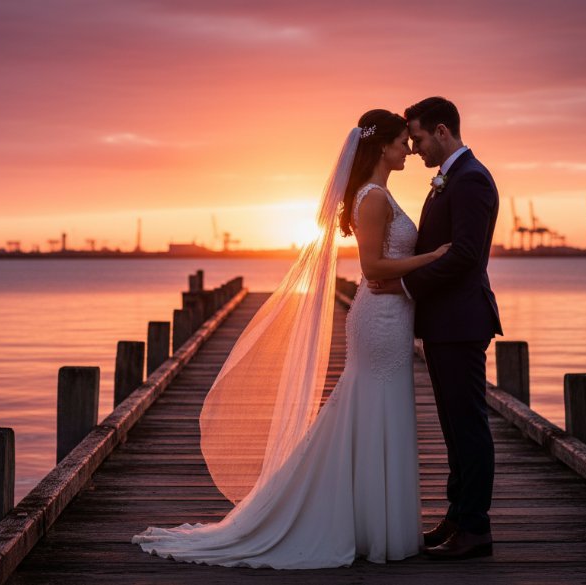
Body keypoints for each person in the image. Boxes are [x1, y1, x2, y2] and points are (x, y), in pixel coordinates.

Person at [131, 109, 449, 568]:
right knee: (374, 409)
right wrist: (432, 258)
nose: (408, 149)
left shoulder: (379, 195)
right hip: (379, 319)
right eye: (403, 141)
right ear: (382, 146)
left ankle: (374, 525)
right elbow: (374, 270)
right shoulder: (374, 198)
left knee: (378, 412)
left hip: (390, 316)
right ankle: (369, 527)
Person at [369, 96, 502, 560]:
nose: (416, 147)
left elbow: (465, 255)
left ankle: (476, 529)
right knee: (453, 424)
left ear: (442, 131)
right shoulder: (451, 179)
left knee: (468, 425)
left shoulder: (471, 181)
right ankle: (457, 515)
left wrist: (404, 284)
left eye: (420, 138)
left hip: (462, 321)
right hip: (446, 321)